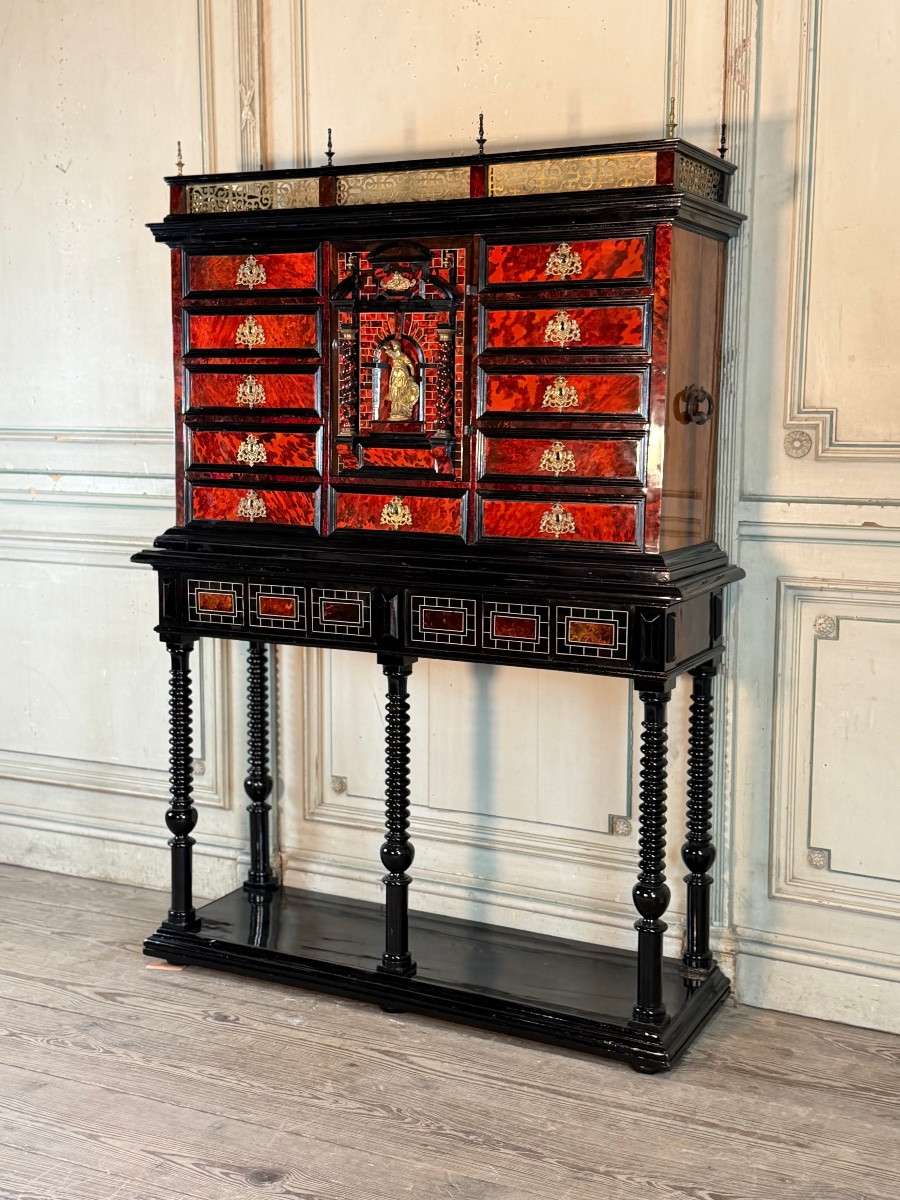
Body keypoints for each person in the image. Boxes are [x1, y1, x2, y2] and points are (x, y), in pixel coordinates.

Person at [382, 339, 419, 420]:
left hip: (403, 376)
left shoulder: (403, 356)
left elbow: (411, 366)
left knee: (402, 393)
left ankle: (402, 412)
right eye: (394, 347)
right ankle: (395, 411)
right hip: (395, 376)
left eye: (395, 346)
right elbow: (388, 351)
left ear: (399, 347)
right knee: (395, 393)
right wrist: (387, 348)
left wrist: (412, 377)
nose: (395, 348)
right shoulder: (395, 355)